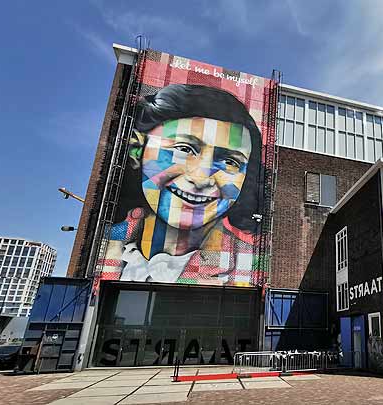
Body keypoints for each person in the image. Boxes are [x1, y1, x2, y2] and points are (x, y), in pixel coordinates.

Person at [99, 84, 262, 286]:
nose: (202, 178)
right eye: (184, 149)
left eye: (230, 162)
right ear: (137, 151)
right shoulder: (105, 242)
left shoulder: (250, 266)